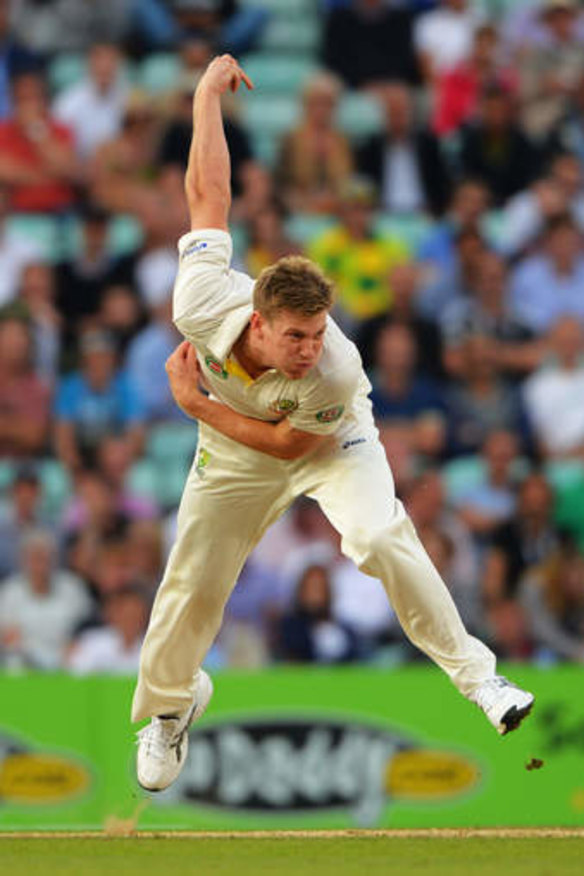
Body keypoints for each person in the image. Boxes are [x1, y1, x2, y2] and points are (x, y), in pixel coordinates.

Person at [133, 55, 534, 794]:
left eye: (319, 333)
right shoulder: (199, 300)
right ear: (259, 319)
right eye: (296, 338)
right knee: (190, 582)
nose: (310, 348)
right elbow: (207, 192)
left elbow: (292, 446)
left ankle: (483, 682)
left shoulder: (335, 372)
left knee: (380, 534)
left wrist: (198, 408)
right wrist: (203, 99)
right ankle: (171, 708)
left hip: (327, 440)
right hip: (232, 445)